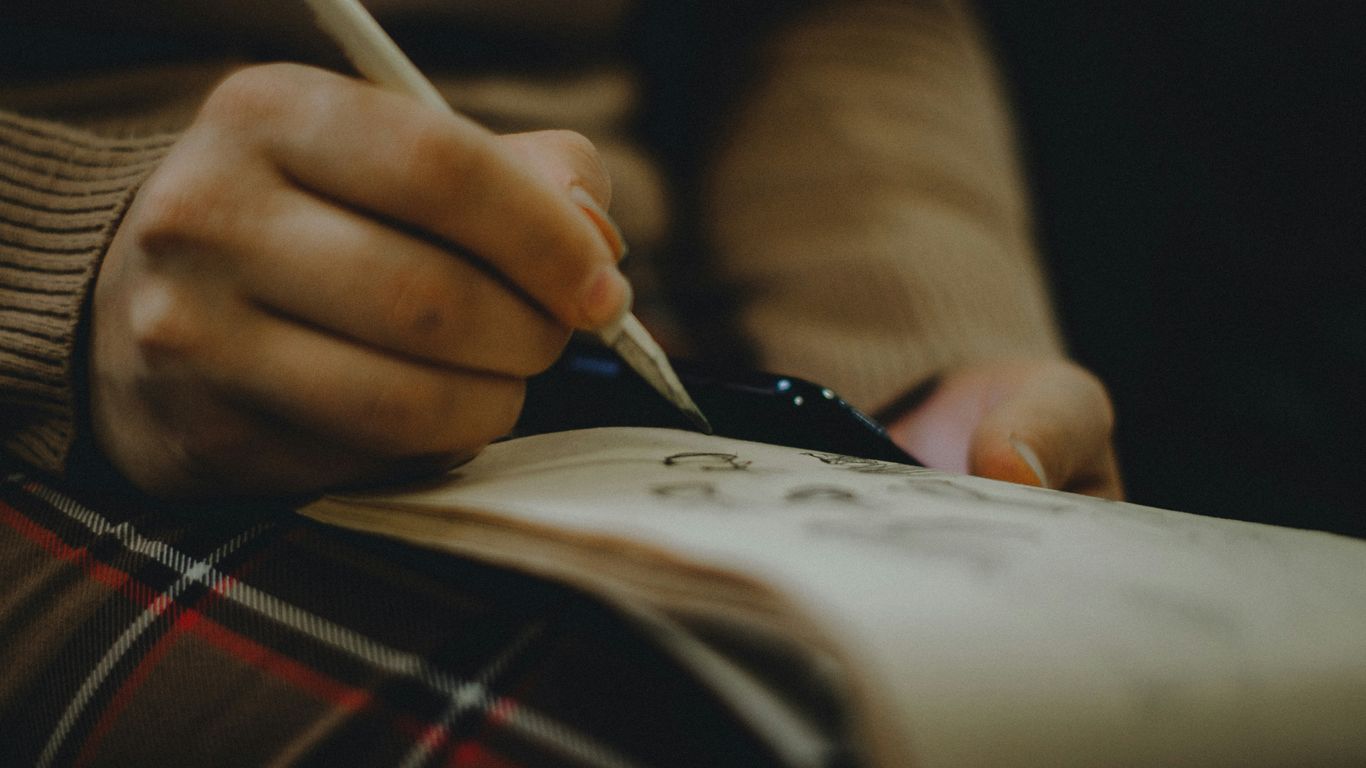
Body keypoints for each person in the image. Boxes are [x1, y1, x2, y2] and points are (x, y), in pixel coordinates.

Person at [0, 2, 1121, 762]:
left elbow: (831, 19)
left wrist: (901, 370)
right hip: (70, 394)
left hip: (654, 321)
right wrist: (65, 261)